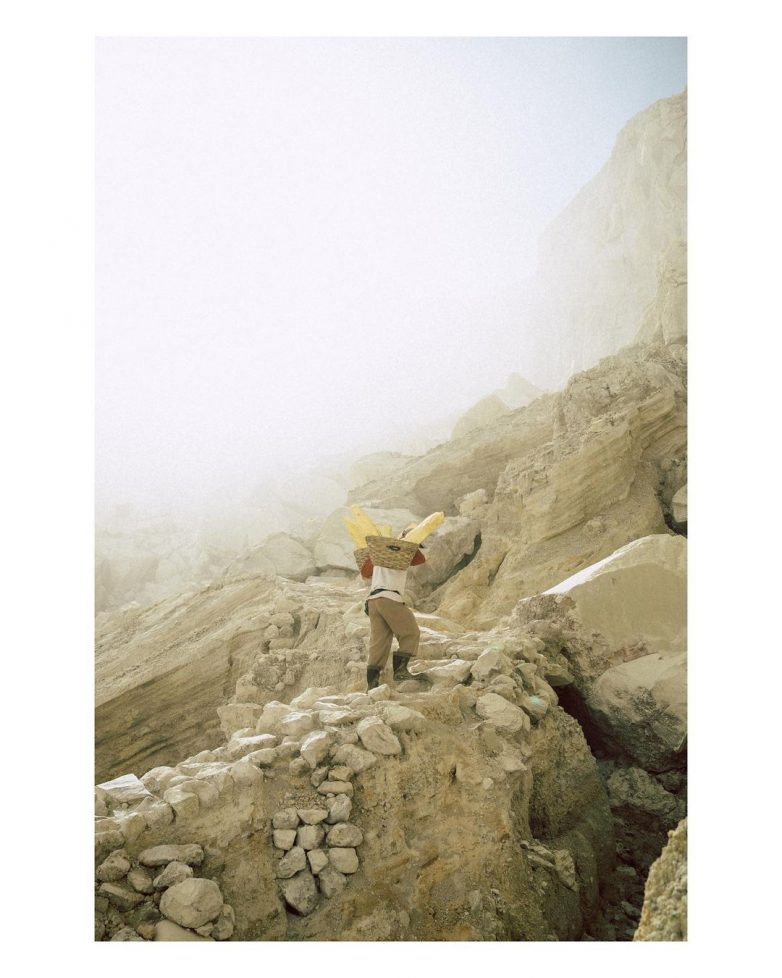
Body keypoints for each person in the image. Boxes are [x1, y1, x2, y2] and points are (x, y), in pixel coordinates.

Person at [360, 528, 426, 690]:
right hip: (389, 597)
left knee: (379, 642)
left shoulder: (378, 552)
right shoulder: (403, 552)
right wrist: (411, 543)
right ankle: (400, 672)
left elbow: (365, 572)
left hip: (373, 600)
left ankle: (372, 685)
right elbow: (420, 559)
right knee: (411, 632)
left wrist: (374, 553)